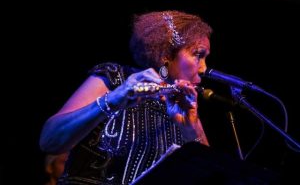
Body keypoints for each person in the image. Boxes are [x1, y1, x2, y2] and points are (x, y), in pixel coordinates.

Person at [39, 10, 212, 184]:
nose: (204, 68)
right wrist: (115, 98)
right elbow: (49, 141)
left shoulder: (183, 104)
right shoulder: (116, 79)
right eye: (199, 55)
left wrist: (192, 130)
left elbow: (211, 177)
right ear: (166, 54)